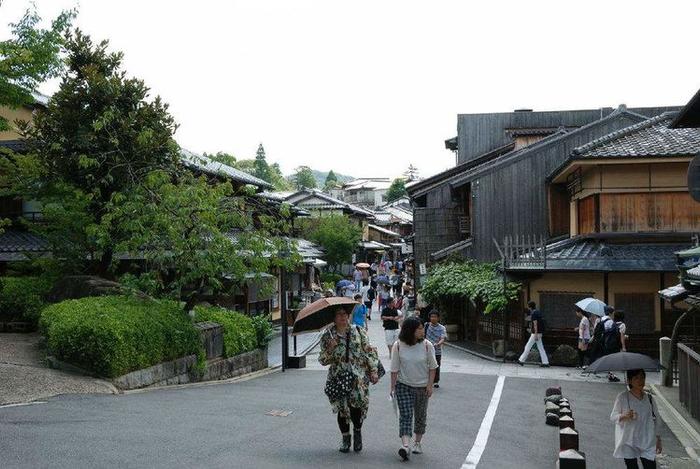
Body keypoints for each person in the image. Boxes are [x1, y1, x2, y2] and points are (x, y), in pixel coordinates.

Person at [319, 308, 380, 453]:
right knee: (342, 408)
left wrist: (373, 370)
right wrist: (330, 349)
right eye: (339, 314)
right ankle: (345, 438)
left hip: (357, 376)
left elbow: (369, 351)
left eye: (345, 314)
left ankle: (357, 432)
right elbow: (322, 360)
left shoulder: (358, 331)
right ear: (333, 318)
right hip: (338, 376)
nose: (343, 317)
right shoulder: (328, 336)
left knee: (356, 406)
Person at [390, 317, 438, 461]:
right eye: (419, 328)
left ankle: (417, 442)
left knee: (420, 415)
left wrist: (430, 385)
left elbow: (433, 367)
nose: (422, 331)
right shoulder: (398, 345)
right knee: (405, 415)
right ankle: (405, 446)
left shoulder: (427, 345)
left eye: (422, 328)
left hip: (422, 387)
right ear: (410, 330)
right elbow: (394, 369)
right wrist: (392, 388)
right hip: (403, 385)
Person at [610, 369, 662, 468]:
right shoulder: (622, 397)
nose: (640, 381)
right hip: (629, 440)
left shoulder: (650, 399)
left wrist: (658, 439)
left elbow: (657, 419)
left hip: (647, 440)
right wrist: (624, 416)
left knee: (650, 466)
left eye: (642, 377)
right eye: (636, 378)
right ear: (629, 381)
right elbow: (613, 416)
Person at [517, 301, 549, 367]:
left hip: (535, 333)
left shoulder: (534, 313)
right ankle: (545, 362)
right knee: (541, 348)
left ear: (530, 307)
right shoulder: (538, 312)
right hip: (540, 332)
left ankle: (521, 360)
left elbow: (535, 324)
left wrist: (536, 334)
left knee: (528, 346)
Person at [424, 310, 447, 388]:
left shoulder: (442, 328)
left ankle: (436, 381)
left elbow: (443, 338)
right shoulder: (426, 325)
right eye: (431, 317)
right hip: (426, 350)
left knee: (436, 365)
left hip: (437, 350)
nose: (433, 318)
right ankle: (426, 379)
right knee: (426, 365)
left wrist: (439, 343)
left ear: (438, 318)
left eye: (435, 317)